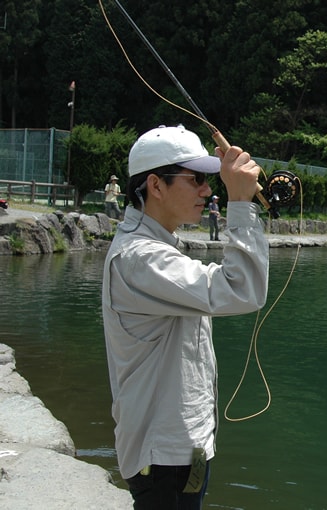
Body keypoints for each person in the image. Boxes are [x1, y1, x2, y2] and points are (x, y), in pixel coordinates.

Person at [101, 125, 269, 509]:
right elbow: (242, 290)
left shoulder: (158, 250)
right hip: (163, 455)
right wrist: (241, 203)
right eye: (196, 180)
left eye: (208, 181)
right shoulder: (141, 258)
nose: (207, 191)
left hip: (182, 447)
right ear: (156, 186)